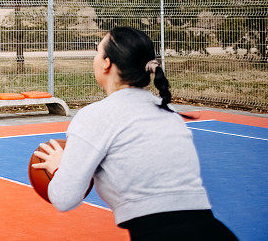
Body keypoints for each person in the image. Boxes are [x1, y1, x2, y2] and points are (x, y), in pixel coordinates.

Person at [32, 26, 237, 241]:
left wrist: (60, 168)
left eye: (97, 51)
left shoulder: (94, 116)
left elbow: (64, 198)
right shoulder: (168, 111)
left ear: (107, 63)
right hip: (215, 232)